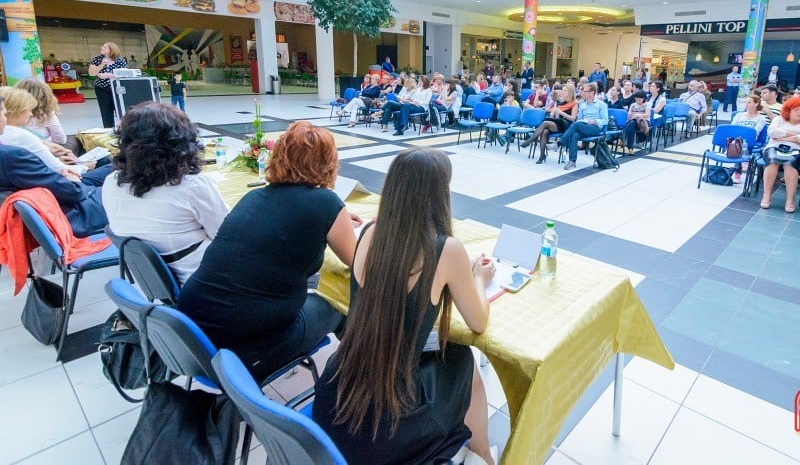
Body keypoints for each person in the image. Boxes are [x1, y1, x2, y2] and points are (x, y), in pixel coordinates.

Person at [312, 149, 495, 464]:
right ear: (440, 194)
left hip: (335, 397)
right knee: (463, 358)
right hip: (389, 426)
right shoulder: (444, 249)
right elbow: (478, 322)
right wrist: (479, 277)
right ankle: (482, 455)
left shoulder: (370, 232)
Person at [177, 122, 359, 380]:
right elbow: (358, 262)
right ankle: (357, 377)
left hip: (192, 336)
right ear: (329, 163)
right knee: (339, 300)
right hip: (247, 348)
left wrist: (335, 220)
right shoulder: (326, 202)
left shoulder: (254, 197)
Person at [102, 102, 228, 283]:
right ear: (179, 142)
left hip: (151, 282)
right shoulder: (192, 187)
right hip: (202, 279)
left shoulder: (111, 182)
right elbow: (226, 236)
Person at [0, 95, 109, 238]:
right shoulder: (12, 156)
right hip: (71, 214)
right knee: (126, 187)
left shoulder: (10, 152)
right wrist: (71, 177)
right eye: (2, 112)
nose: (5, 118)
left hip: (54, 208)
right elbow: (73, 192)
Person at [0, 86, 89, 177]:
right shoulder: (21, 136)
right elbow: (59, 169)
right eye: (29, 109)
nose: (31, 114)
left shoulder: (13, 134)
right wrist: (86, 166)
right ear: (17, 111)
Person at [760, 97, 800, 213]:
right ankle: (766, 195)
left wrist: (783, 137)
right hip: (774, 146)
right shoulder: (778, 119)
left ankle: (790, 200)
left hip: (797, 150)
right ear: (788, 110)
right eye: (796, 110)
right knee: (772, 161)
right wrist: (795, 135)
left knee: (790, 164)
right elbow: (772, 132)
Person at [522, 86, 578, 164]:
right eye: (563, 90)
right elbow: (553, 111)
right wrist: (553, 112)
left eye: (565, 91)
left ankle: (530, 140)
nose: (562, 92)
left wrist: (562, 113)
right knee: (544, 131)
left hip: (566, 125)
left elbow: (573, 119)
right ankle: (542, 155)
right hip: (558, 122)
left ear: (570, 93)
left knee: (545, 123)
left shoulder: (574, 104)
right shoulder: (560, 102)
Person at [561, 82, 608, 171]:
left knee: (576, 124)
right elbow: (579, 119)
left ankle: (561, 142)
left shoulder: (601, 105)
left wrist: (595, 121)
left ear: (592, 92)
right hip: (583, 126)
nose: (583, 93)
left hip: (595, 128)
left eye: (585, 91)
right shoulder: (582, 105)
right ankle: (572, 161)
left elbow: (605, 120)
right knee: (574, 134)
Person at [88, 42, 127, 128]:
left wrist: (106, 75)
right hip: (101, 88)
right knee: (106, 111)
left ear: (111, 49)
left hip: (117, 88)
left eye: (105, 47)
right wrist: (102, 64)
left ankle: (124, 129)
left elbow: (124, 74)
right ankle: (108, 129)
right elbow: (91, 73)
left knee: (120, 110)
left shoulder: (120, 60)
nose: (102, 47)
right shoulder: (97, 59)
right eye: (102, 46)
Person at [730, 94, 767, 183]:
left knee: (740, 143)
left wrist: (744, 133)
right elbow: (733, 128)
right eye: (745, 102)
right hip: (737, 139)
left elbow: (755, 132)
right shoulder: (739, 115)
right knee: (738, 143)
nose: (746, 105)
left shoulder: (761, 118)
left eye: (749, 102)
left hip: (751, 140)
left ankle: (740, 166)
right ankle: (743, 160)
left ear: (756, 104)